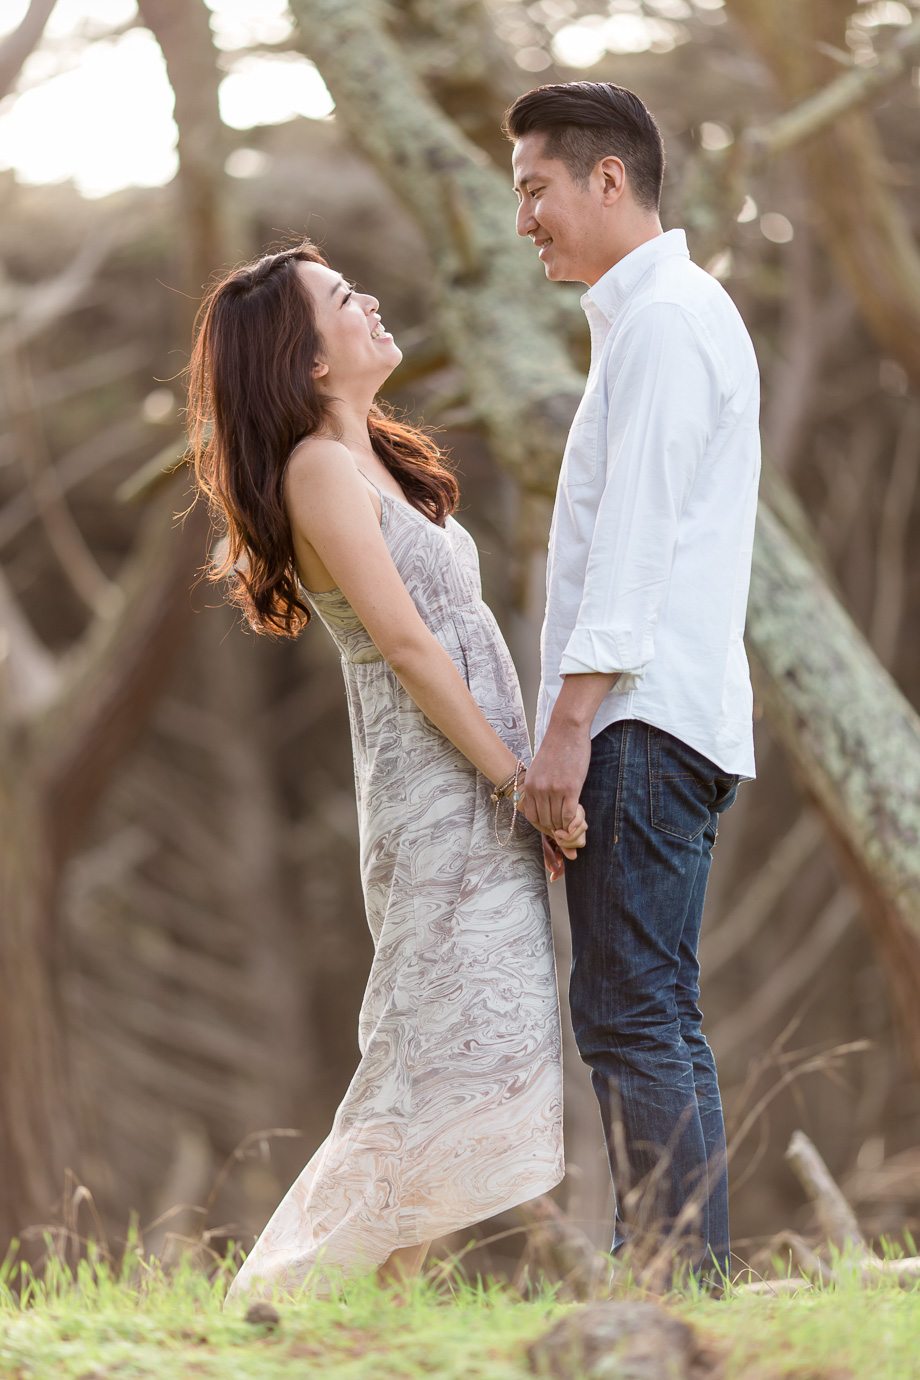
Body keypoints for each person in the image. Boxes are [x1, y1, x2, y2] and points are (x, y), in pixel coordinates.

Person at [187, 242, 583, 1299]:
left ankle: (382, 1312)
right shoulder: (317, 469)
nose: (368, 302)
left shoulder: (370, 459)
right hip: (438, 796)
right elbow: (409, 648)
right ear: (305, 360)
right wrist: (516, 782)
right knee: (427, 1052)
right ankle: (293, 1293)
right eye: (340, 300)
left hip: (476, 782)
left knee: (457, 1053)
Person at [505, 82, 761, 1280]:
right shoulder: (658, 318)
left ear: (607, 180)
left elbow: (633, 550)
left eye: (534, 190)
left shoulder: (664, 321)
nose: (523, 222)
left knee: (626, 1015)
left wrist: (565, 732)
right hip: (665, 717)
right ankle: (681, 1275)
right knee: (652, 1011)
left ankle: (664, 1277)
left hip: (639, 723)